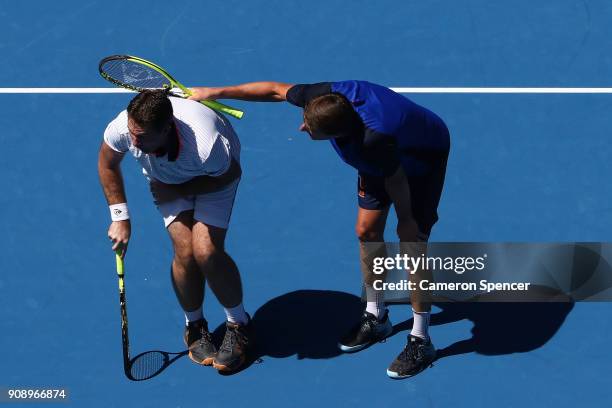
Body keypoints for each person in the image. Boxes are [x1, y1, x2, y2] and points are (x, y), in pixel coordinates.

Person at [188, 80, 450, 378]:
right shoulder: (324, 97)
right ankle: (377, 317)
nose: (302, 129)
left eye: (310, 129)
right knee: (366, 231)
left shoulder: (372, 141)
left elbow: (397, 181)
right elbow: (274, 89)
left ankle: (421, 339)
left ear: (337, 134)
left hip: (421, 155)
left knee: (412, 247)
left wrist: (407, 220)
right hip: (383, 159)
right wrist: (213, 92)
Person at [98, 89, 252, 373]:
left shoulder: (208, 146)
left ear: (167, 128)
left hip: (212, 179)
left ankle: (239, 324)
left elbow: (230, 175)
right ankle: (194, 324)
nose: (133, 141)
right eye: (132, 133)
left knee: (206, 251)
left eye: (142, 137)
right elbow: (107, 163)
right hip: (166, 179)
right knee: (185, 251)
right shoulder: (125, 126)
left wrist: (180, 189)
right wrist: (120, 217)